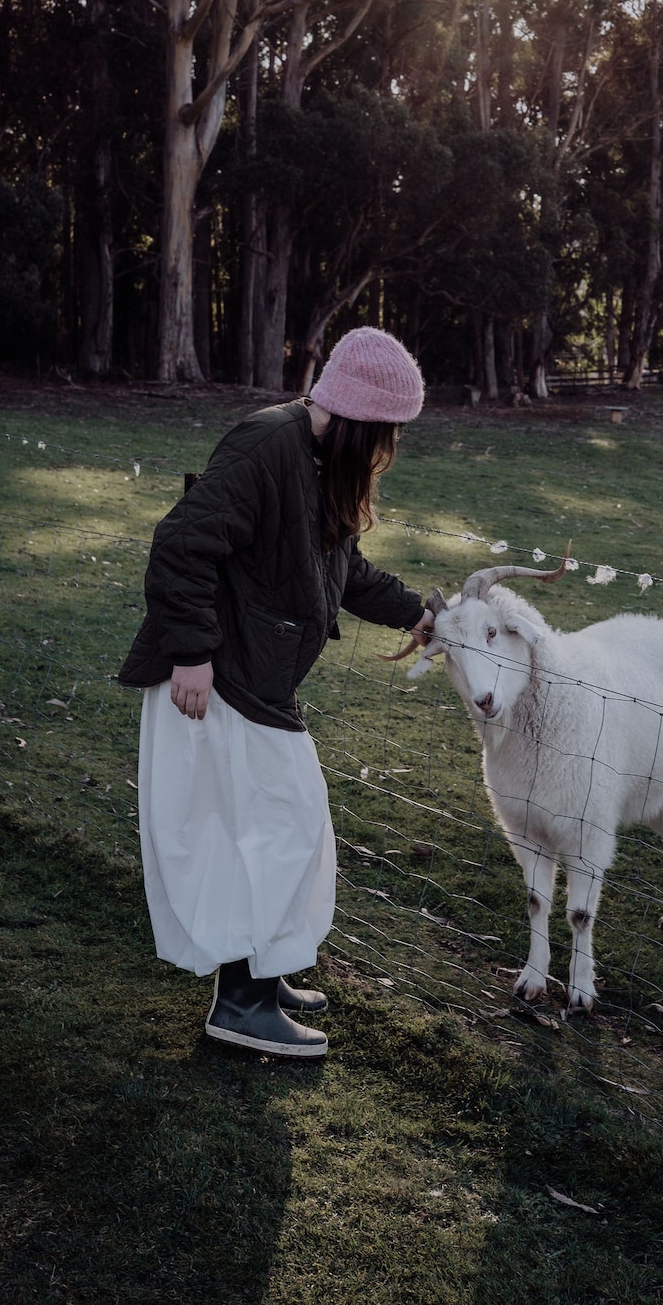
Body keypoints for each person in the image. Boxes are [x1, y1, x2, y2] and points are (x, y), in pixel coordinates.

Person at [118, 327, 434, 1059]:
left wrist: (415, 612)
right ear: (359, 417)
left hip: (256, 677)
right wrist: (191, 655)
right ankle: (242, 1005)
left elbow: (344, 568)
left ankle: (259, 974)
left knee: (279, 832)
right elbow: (182, 545)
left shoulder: (318, 462)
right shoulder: (268, 445)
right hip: (220, 681)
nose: (390, 447)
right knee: (276, 831)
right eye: (389, 430)